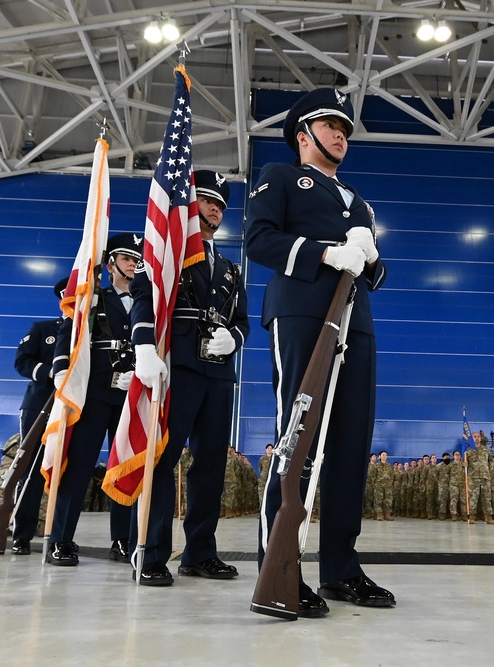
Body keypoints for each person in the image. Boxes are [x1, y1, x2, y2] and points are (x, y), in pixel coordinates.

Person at [245, 87, 393, 617]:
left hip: (357, 321)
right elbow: (258, 241)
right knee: (298, 435)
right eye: (331, 125)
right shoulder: (280, 177)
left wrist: (369, 257)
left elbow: (373, 273)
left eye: (346, 129)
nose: (341, 135)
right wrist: (327, 251)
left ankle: (341, 569)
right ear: (303, 134)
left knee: (352, 443)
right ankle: (278, 566)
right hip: (303, 311)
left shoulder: (359, 199)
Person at [129, 170, 249, 587]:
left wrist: (233, 338)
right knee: (162, 459)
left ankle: (199, 553)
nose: (214, 209)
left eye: (221, 205)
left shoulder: (232, 269)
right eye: (207, 200)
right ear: (189, 204)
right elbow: (143, 298)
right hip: (177, 365)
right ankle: (151, 553)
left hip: (217, 373)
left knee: (212, 465)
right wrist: (143, 346)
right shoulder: (167, 252)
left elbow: (244, 321)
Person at [44, 233, 138, 566]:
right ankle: (61, 540)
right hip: (95, 391)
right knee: (79, 467)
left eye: (138, 260)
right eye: (127, 258)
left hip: (131, 394)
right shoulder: (95, 297)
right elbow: (70, 332)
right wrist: (61, 369)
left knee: (126, 466)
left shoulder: (148, 300)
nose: (134, 264)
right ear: (111, 263)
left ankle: (124, 540)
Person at [8, 279, 65, 556]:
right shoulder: (43, 329)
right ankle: (21, 535)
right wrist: (50, 372)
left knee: (66, 472)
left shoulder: (91, 332)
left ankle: (60, 538)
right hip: (40, 405)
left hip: (74, 408)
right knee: (29, 471)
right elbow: (22, 362)